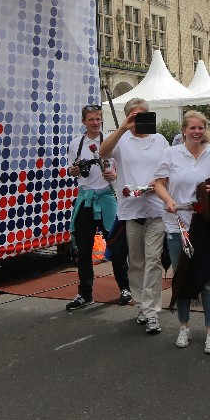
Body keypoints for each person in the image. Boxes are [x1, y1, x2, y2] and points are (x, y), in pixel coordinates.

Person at [153, 111, 210, 353]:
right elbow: (159, 183)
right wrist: (169, 200)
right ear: (184, 130)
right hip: (177, 225)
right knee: (182, 276)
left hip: (203, 226)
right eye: (192, 128)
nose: (197, 132)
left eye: (200, 128)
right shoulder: (170, 153)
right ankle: (183, 327)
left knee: (208, 281)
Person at [99, 98, 169, 335]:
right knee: (136, 262)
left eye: (143, 115)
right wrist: (122, 128)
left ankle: (152, 311)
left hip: (156, 207)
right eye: (134, 115)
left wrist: (157, 183)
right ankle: (141, 304)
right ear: (128, 116)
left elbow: (167, 168)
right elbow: (103, 152)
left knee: (153, 260)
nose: (139, 119)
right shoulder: (121, 140)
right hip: (130, 209)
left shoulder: (159, 139)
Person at [65, 104, 130, 311]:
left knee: (116, 246)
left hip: (107, 198)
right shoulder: (76, 143)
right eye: (91, 119)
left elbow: (124, 168)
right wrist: (72, 171)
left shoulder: (111, 140)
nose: (95, 123)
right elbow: (70, 168)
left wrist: (115, 175)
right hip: (85, 198)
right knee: (83, 249)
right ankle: (85, 293)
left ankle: (125, 288)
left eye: (98, 119)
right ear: (83, 122)